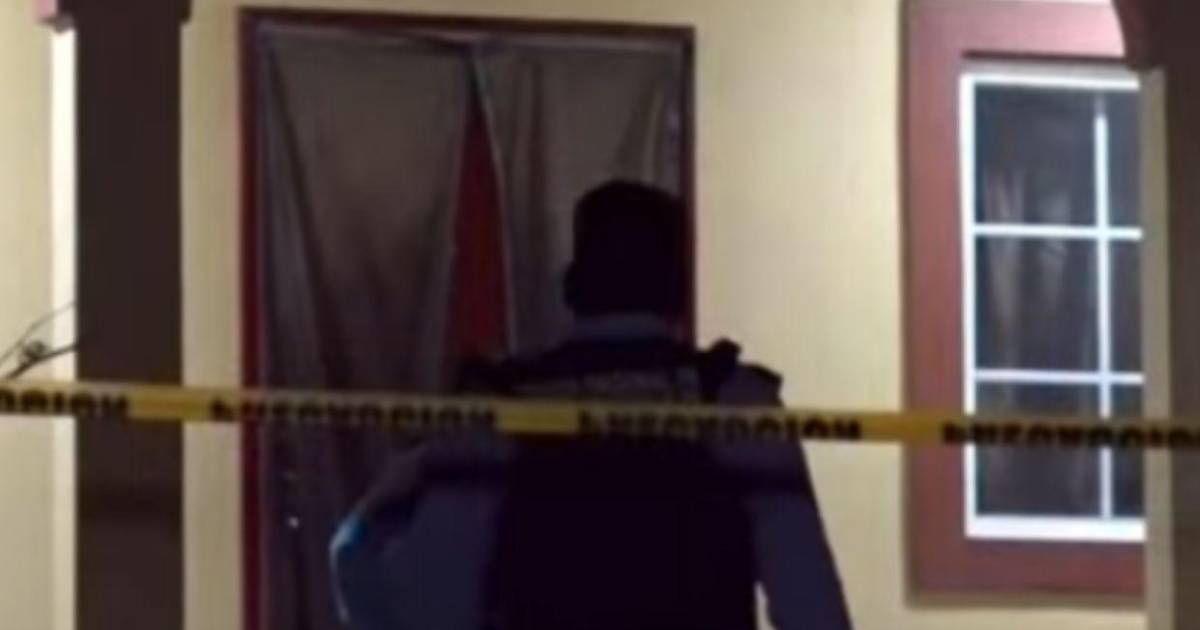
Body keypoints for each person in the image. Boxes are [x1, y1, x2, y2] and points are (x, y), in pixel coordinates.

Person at [331, 181, 851, 630]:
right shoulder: (734, 400)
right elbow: (810, 602)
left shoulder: (499, 407)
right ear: (677, 286)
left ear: (572, 284)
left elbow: (418, 592)